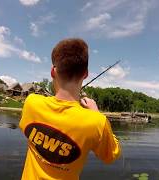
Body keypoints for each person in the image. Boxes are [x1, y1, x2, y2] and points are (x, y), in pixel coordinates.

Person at [19, 38, 121, 180]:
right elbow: (111, 155)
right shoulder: (96, 122)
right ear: (85, 74)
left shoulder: (31, 103)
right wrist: (96, 114)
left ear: (53, 71)